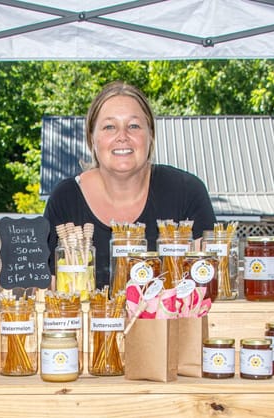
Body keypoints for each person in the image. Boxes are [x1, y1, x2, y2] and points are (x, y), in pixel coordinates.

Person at [44, 81, 216, 288]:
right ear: (92, 139)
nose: (122, 137)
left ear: (150, 135)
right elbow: (47, 289)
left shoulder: (187, 192)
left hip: (171, 321)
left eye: (133, 126)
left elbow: (208, 281)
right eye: (109, 127)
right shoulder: (66, 199)